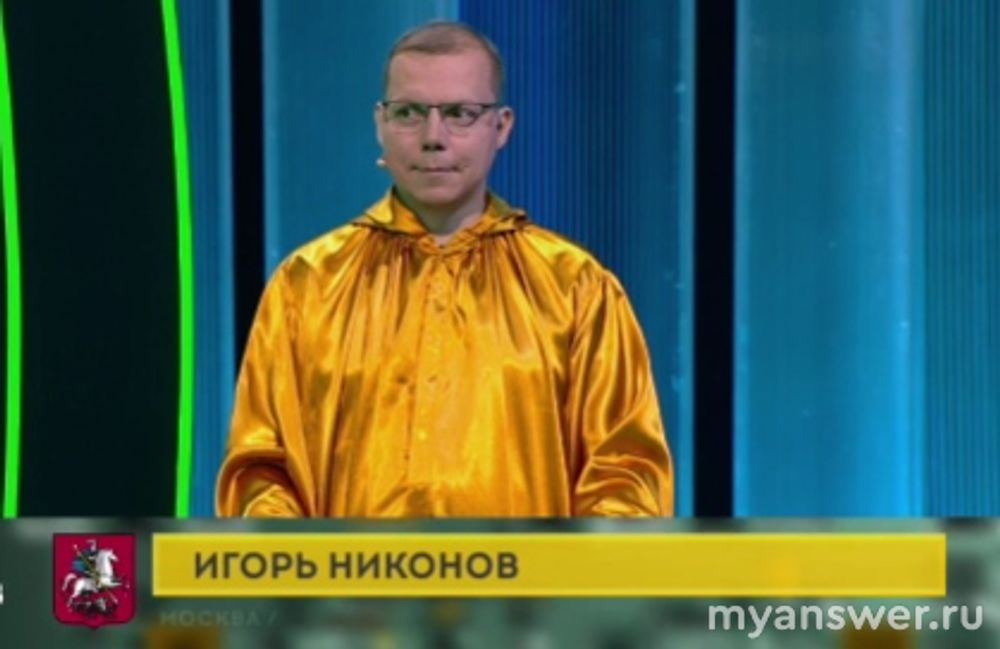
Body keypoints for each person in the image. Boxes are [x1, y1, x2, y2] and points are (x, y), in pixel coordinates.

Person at [216, 20, 673, 517]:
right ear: (380, 124)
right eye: (409, 113)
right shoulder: (307, 284)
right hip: (350, 573)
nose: (433, 138)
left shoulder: (576, 288)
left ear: (502, 127)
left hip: (526, 573)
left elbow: (624, 478)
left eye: (460, 114)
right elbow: (262, 474)